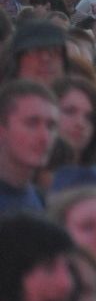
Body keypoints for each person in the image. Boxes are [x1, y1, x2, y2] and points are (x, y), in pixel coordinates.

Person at [0, 81, 59, 213]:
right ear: (2, 129)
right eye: (32, 123)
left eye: (51, 126)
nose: (45, 137)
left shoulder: (45, 203)